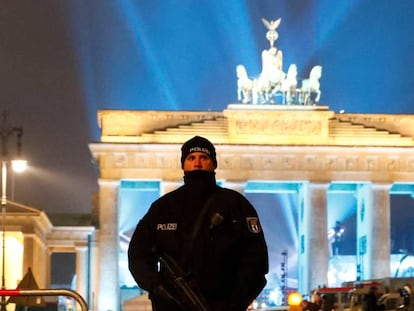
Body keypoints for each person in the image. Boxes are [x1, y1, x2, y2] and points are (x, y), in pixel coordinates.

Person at [128, 136, 269, 311]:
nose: (197, 163)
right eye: (191, 158)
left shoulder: (235, 204)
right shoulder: (163, 208)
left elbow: (255, 260)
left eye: (204, 158)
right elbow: (137, 255)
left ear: (214, 163)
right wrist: (157, 288)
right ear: (183, 164)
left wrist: (235, 303)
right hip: (171, 306)